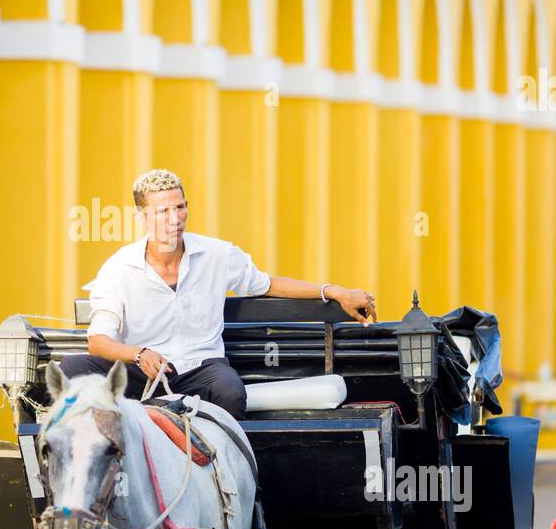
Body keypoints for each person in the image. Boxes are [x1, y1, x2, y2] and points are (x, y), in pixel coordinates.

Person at [59, 168, 377, 420]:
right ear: (141, 218)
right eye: (162, 211)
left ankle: (223, 474)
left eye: (180, 207)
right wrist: (139, 354)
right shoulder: (118, 268)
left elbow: (267, 284)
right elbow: (98, 342)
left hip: (201, 368)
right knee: (70, 369)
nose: (175, 219)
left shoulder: (217, 254)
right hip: (143, 373)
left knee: (230, 391)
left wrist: (335, 292)